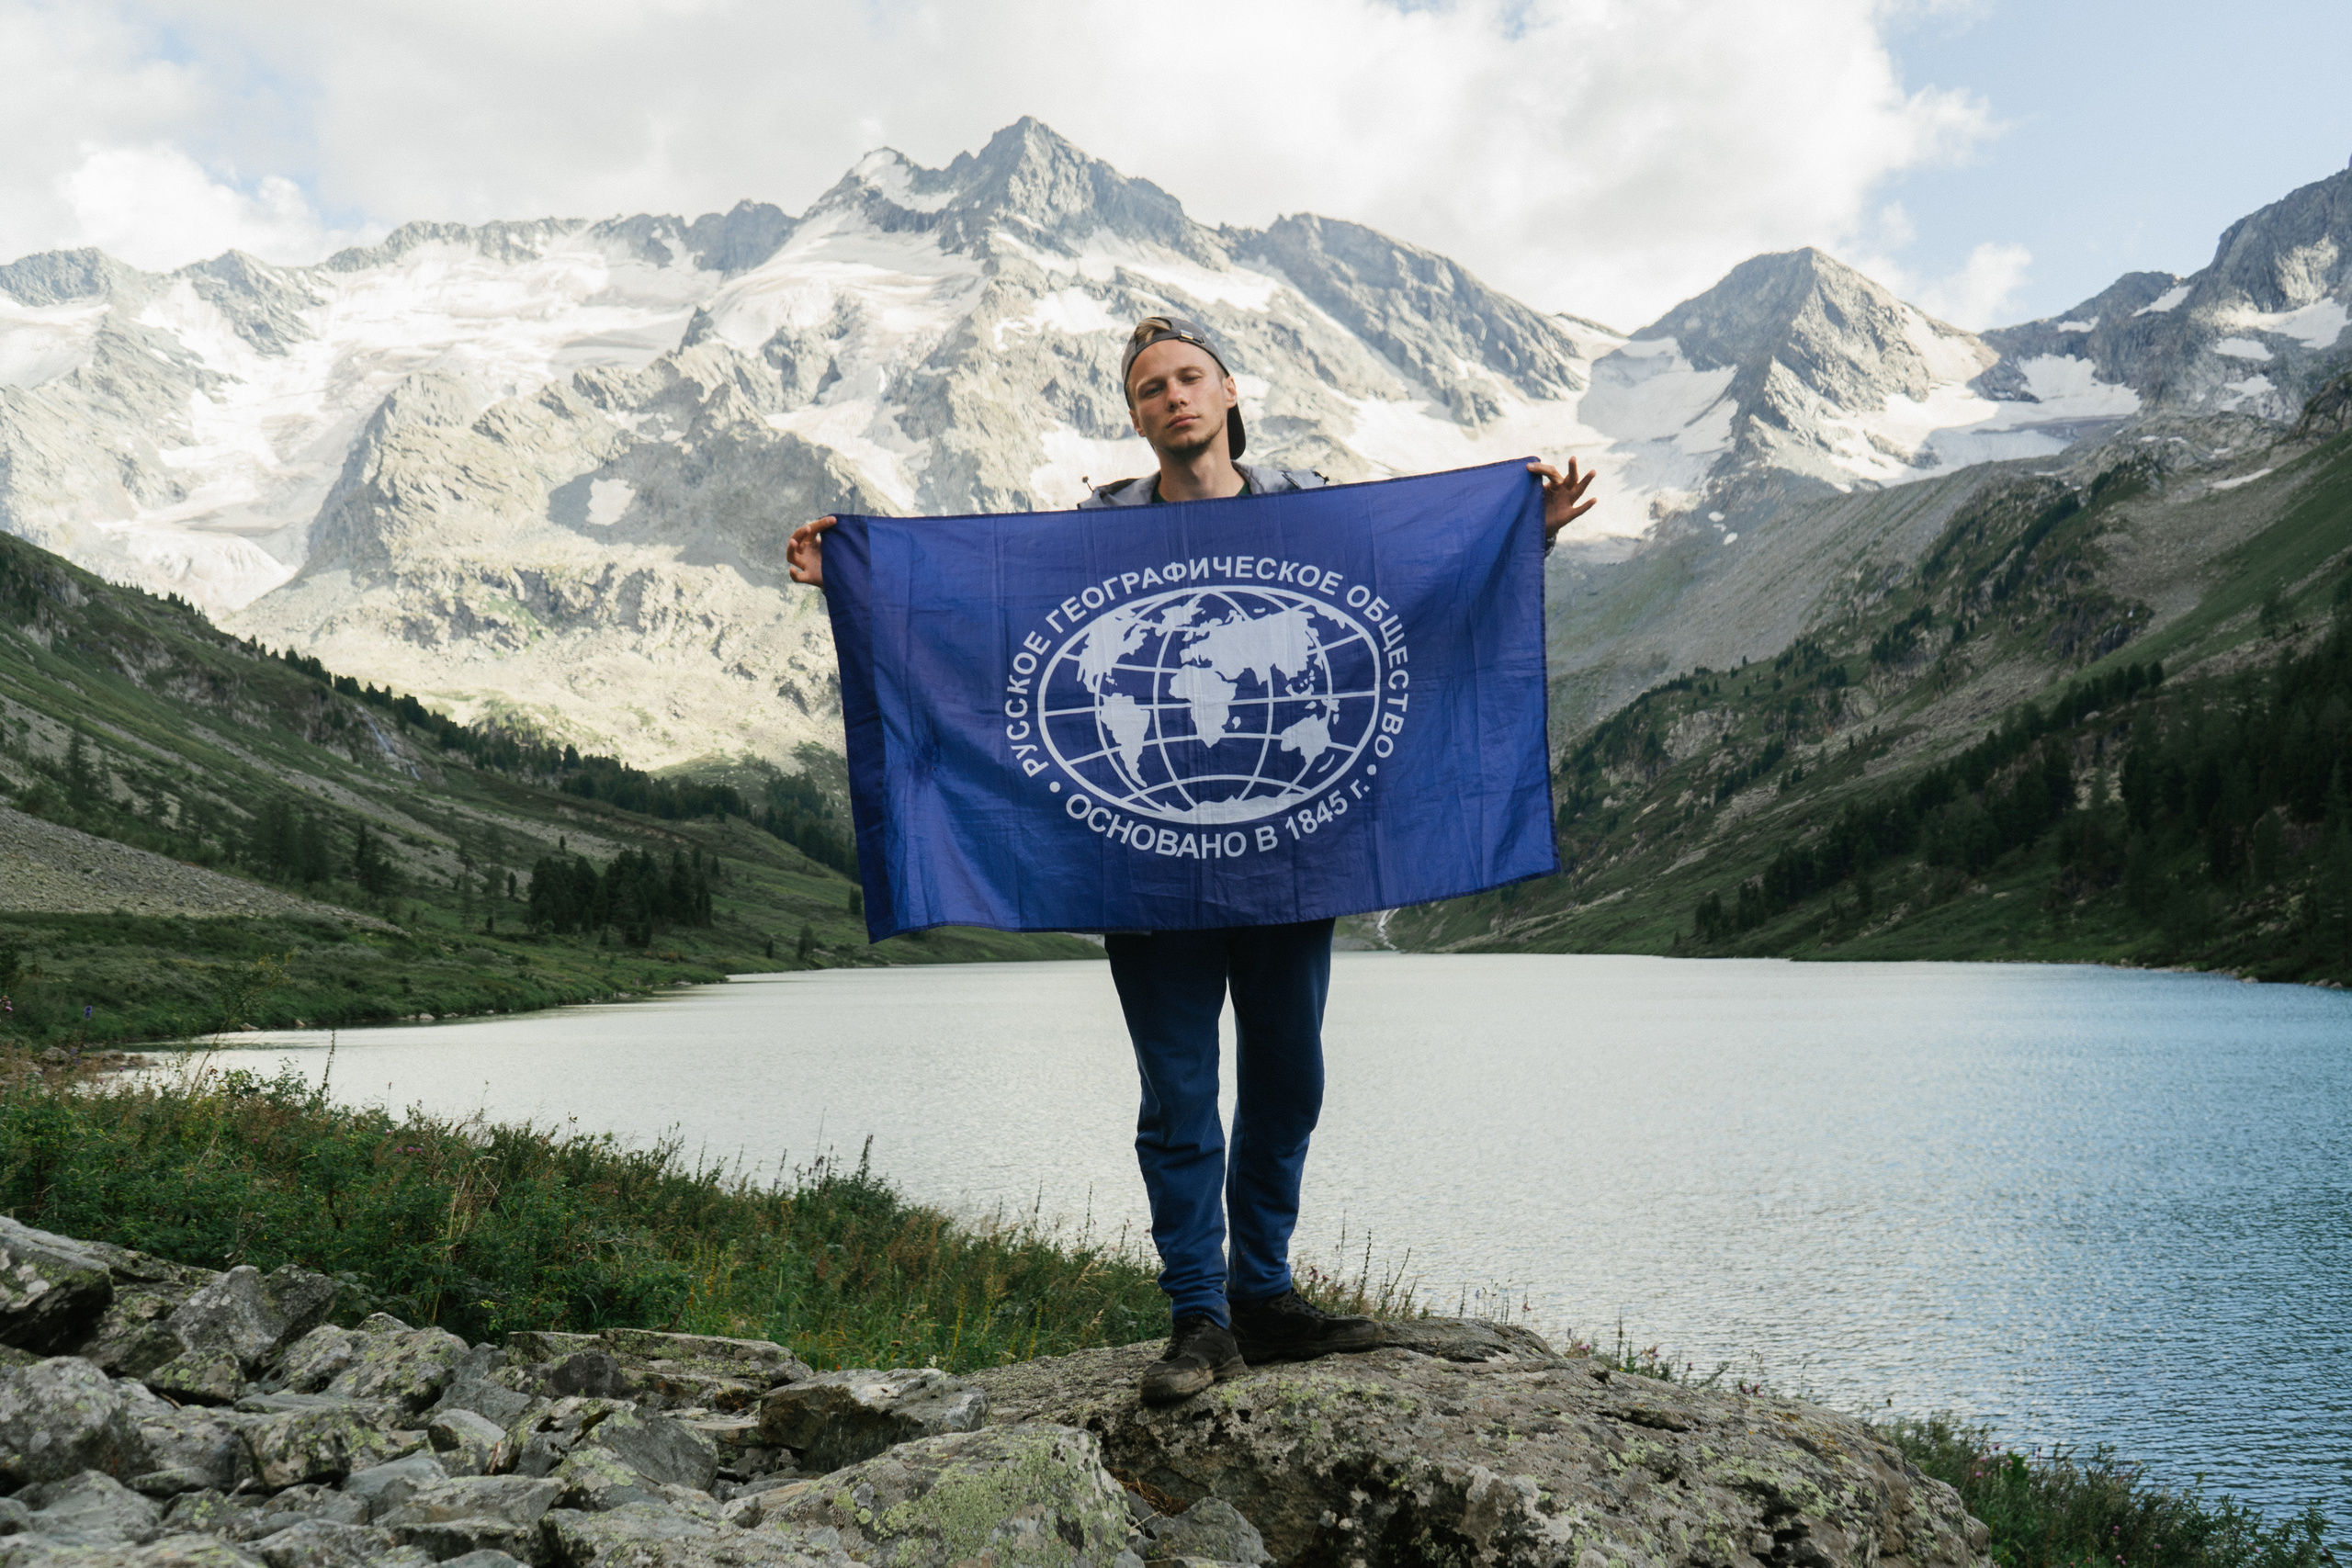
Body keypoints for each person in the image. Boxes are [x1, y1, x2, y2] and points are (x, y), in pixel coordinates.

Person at [786, 314, 1596, 1404]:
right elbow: (987, 628)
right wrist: (848, 579)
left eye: (1187, 378)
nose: (1170, 399)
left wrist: (1523, 535)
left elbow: (1413, 603)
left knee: (1288, 1078)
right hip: (1148, 870)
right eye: (1148, 389)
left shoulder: (1306, 515)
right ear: (1134, 417)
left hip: (1285, 859)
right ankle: (1197, 1320)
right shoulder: (1094, 536)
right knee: (1177, 1096)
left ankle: (1264, 1295)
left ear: (1227, 394)